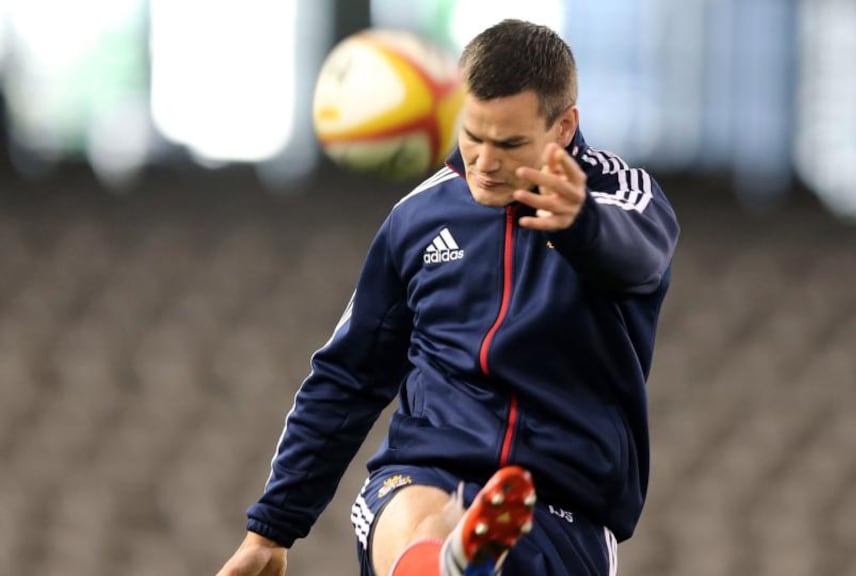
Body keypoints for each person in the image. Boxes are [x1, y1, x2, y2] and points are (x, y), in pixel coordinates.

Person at [216, 18, 679, 576]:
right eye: (472, 135)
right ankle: (447, 563)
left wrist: (577, 224)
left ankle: (457, 562)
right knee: (417, 515)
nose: (485, 162)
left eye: (509, 144)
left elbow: (637, 256)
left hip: (560, 502)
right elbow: (348, 376)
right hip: (425, 470)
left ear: (563, 127)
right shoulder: (417, 218)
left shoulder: (619, 198)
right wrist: (271, 528)